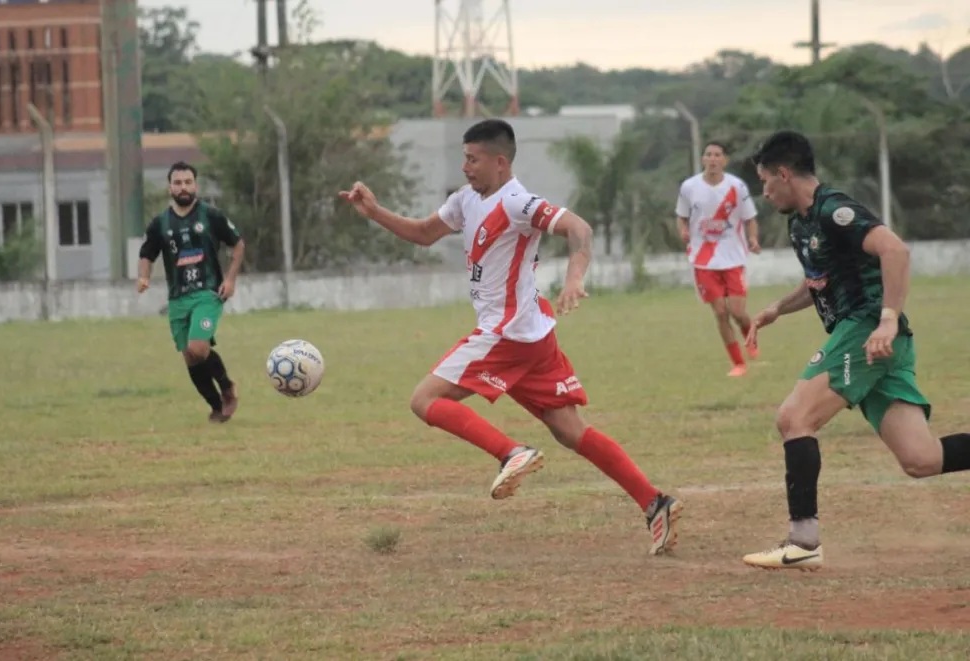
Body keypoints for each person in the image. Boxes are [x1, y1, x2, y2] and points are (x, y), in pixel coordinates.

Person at [339, 119, 683, 555]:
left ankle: (511, 453)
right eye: (464, 158)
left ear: (500, 162)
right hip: (531, 334)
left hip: (506, 334)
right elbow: (425, 234)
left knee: (424, 400)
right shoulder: (466, 200)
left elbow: (579, 229)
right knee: (570, 430)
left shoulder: (518, 202)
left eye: (472, 159)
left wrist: (575, 277)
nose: (465, 167)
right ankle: (656, 503)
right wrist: (375, 212)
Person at [741, 130, 970, 571]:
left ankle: (803, 540)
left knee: (794, 417)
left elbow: (895, 250)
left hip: (867, 330)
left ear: (784, 174)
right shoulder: (801, 222)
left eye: (765, 182)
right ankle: (804, 542)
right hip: (877, 342)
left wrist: (886, 318)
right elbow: (819, 282)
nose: (764, 192)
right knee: (921, 460)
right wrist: (776, 309)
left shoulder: (835, 210)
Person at [137, 161, 245, 423]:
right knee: (190, 357)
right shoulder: (160, 223)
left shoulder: (211, 215)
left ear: (195, 185)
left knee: (198, 347)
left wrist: (230, 280)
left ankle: (227, 387)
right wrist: (143, 277)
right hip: (178, 298)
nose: (183, 187)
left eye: (188, 182)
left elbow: (238, 244)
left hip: (208, 293)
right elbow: (147, 253)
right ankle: (216, 406)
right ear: (169, 187)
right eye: (178, 183)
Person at [675, 141, 762, 377]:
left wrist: (753, 239)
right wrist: (683, 231)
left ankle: (750, 338)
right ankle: (738, 363)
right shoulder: (689, 187)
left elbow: (750, 218)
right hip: (703, 259)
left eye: (717, 155)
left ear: (724, 160)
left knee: (737, 311)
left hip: (733, 256)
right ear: (703, 159)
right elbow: (681, 217)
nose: (712, 159)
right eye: (708, 155)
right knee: (720, 312)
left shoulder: (737, 186)